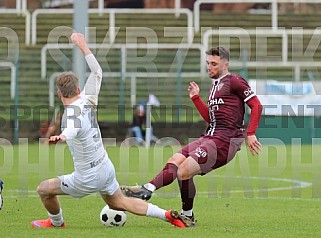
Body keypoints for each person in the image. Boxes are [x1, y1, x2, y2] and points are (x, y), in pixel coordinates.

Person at [31, 33, 194, 228]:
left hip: (87, 177)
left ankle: (56, 223)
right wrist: (83, 45)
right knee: (119, 202)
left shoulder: (71, 114)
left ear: (58, 93)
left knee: (44, 189)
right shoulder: (87, 99)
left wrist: (63, 135)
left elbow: (73, 128)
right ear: (78, 89)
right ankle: (167, 215)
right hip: (105, 167)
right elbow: (97, 71)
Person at [121, 46, 263, 221]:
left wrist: (251, 133)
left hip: (225, 141)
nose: (209, 67)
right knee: (174, 161)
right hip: (210, 136)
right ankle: (148, 189)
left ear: (226, 64)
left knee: (184, 171)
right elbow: (211, 119)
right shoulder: (214, 87)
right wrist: (196, 98)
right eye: (207, 63)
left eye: (214, 64)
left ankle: (185, 214)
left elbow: (257, 105)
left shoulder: (235, 81)